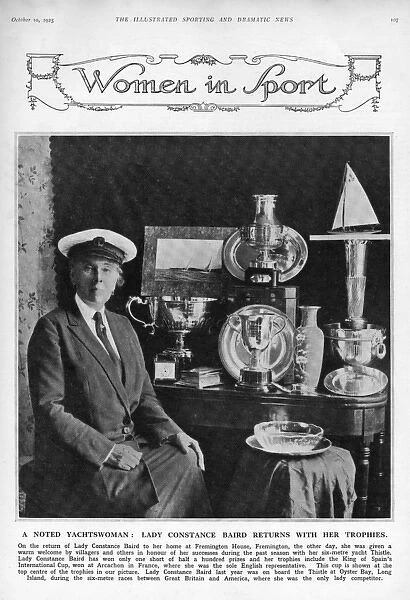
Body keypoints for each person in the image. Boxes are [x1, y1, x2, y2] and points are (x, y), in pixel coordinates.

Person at [26, 229, 212, 518]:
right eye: (88, 268)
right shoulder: (53, 328)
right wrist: (108, 452)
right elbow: (50, 409)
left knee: (186, 459)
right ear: (73, 275)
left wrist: (174, 432)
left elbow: (145, 395)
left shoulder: (123, 326)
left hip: (132, 447)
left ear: (117, 278)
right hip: (87, 459)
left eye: (107, 269)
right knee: (148, 503)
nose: (98, 278)